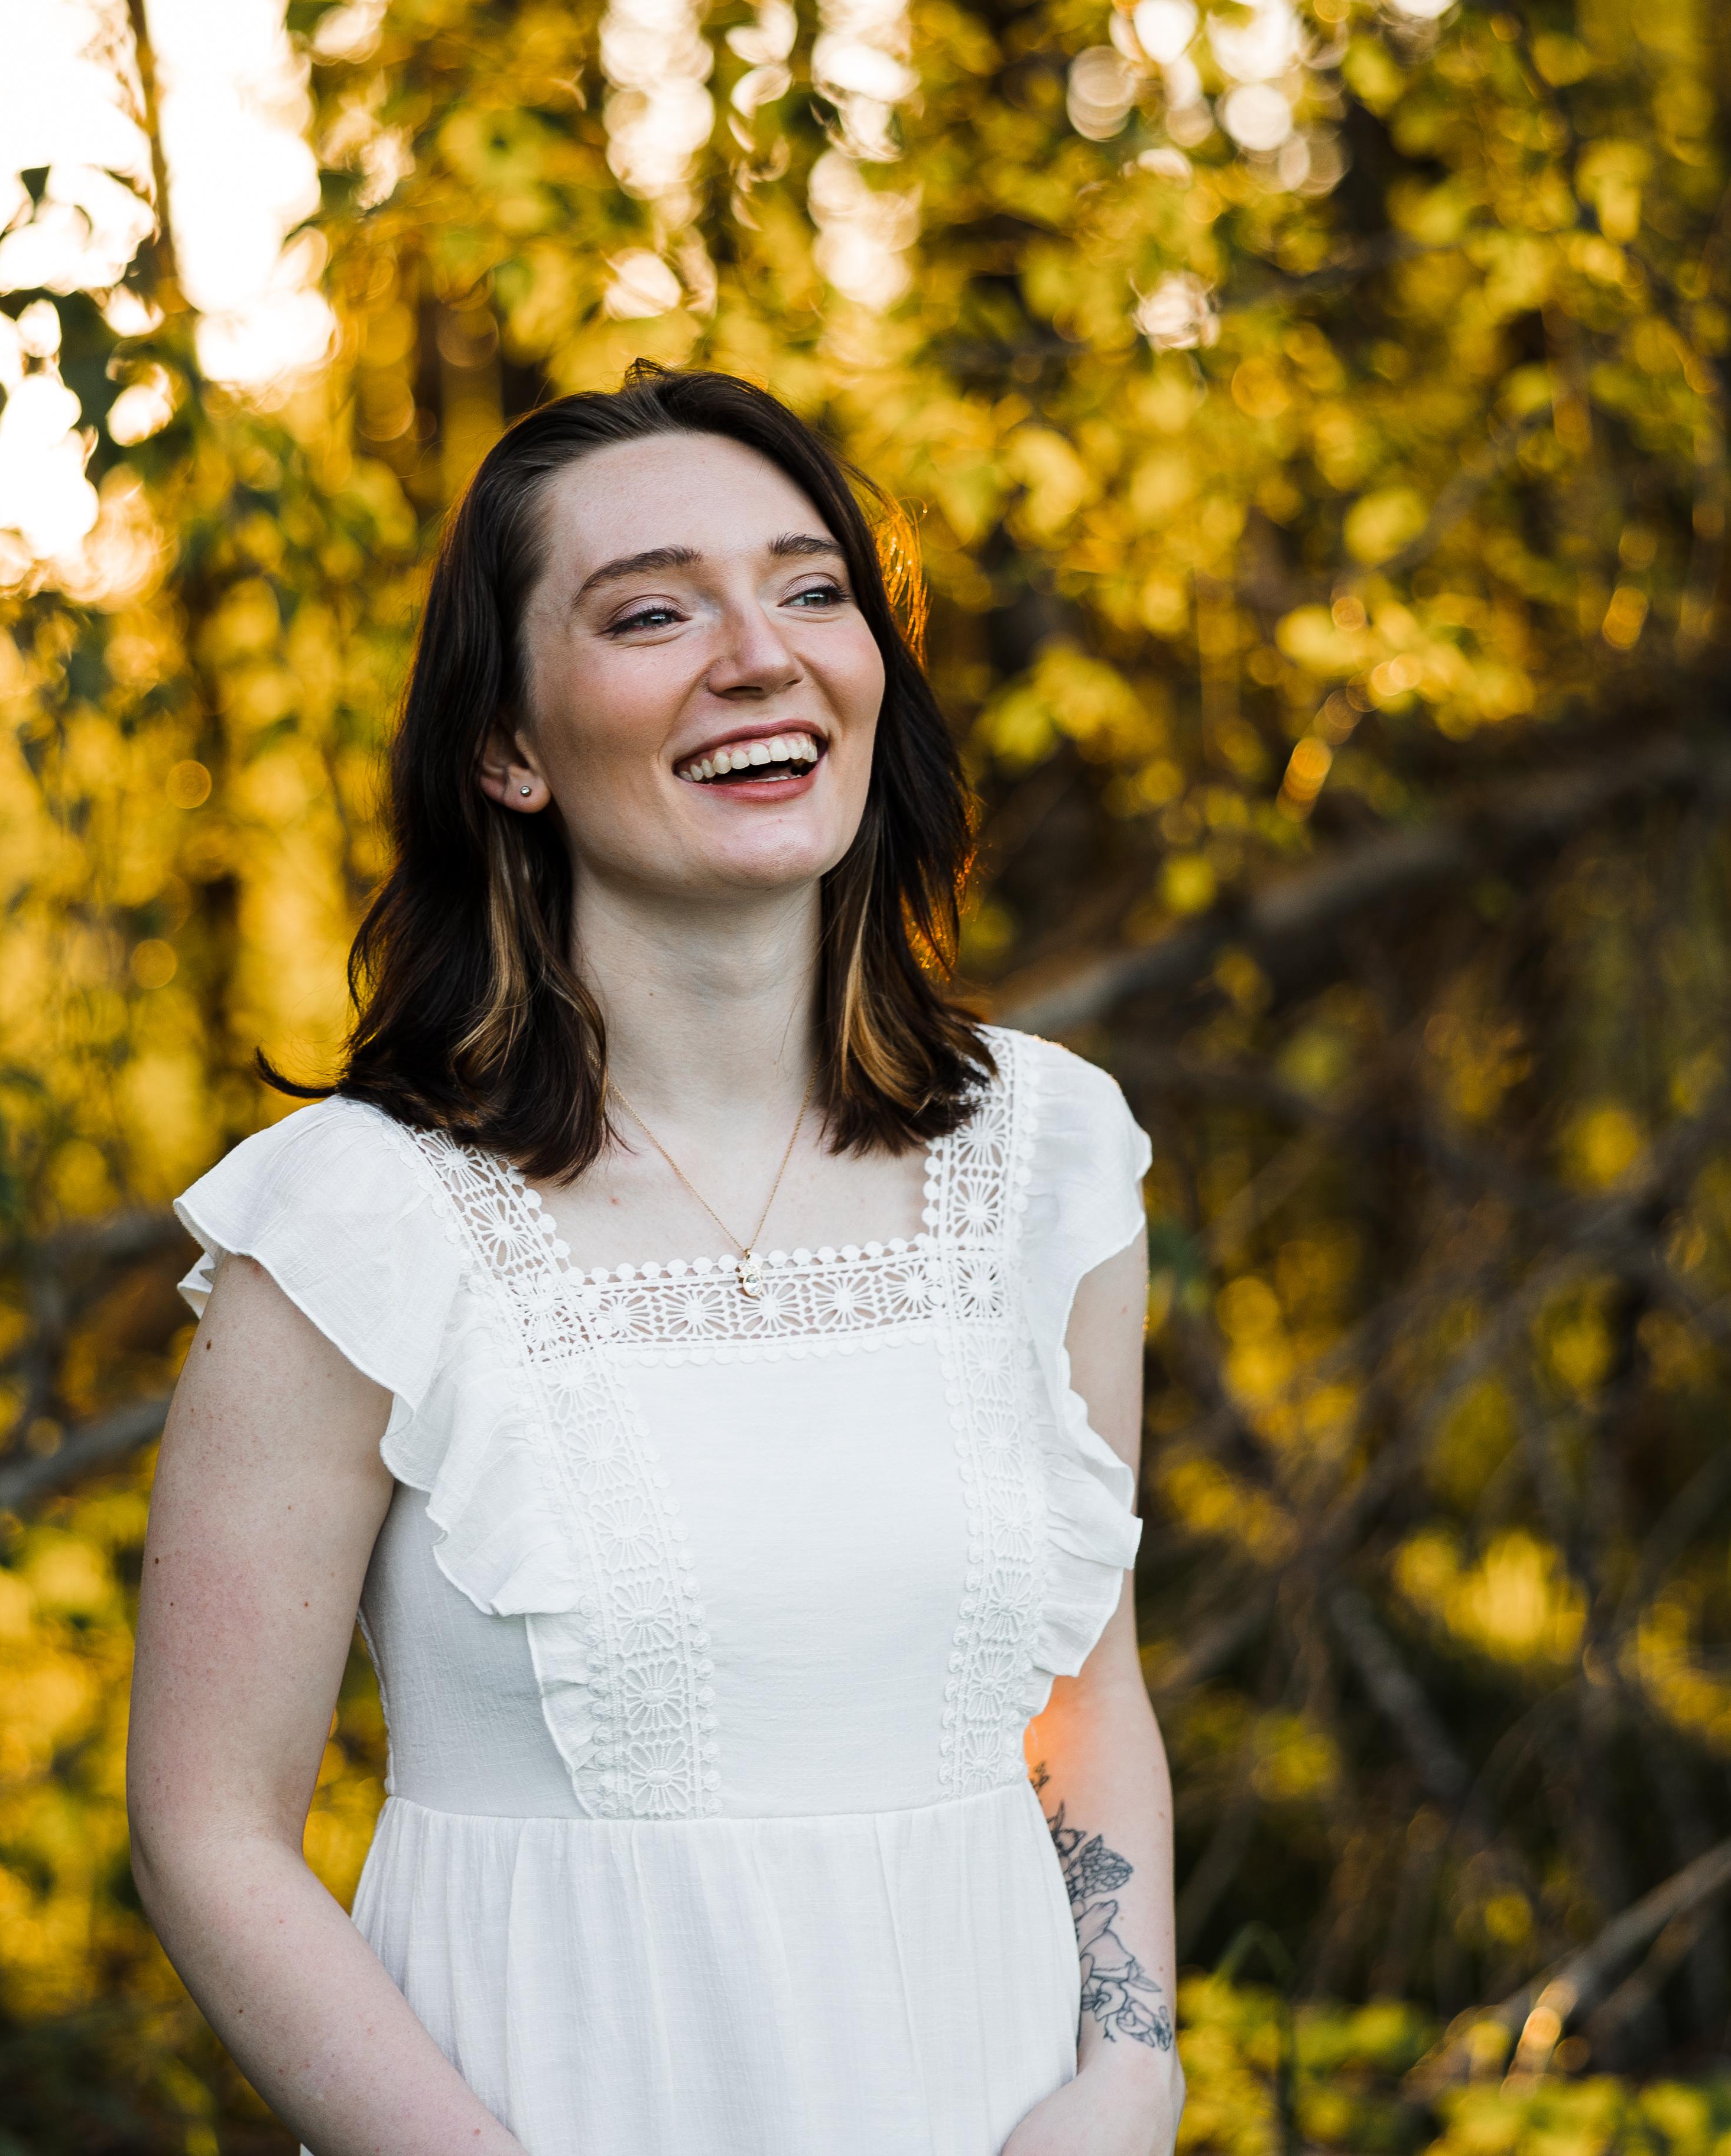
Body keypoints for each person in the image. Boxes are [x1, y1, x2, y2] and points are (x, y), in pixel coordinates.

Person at [125, 364, 1180, 2156]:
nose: (761, 655)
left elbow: (1090, 1696)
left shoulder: (1051, 1161)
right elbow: (207, 1835)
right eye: (651, 613)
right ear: (509, 747)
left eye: (812, 589)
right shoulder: (355, 1224)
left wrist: (1133, 2073)